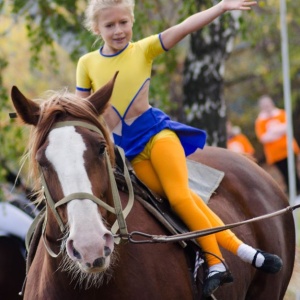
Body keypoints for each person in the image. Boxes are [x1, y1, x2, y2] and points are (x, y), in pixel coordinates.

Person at [76, 0, 282, 296]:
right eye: (110, 25)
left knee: (180, 197)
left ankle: (216, 263)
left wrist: (221, 7)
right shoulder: (86, 63)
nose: (118, 30)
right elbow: (81, 109)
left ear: (132, 21)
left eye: (124, 22)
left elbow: (184, 27)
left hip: (157, 136)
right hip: (128, 152)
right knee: (173, 204)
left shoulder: (143, 49)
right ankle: (249, 253)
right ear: (97, 28)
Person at [255, 95, 300, 194]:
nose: (267, 107)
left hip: (288, 149)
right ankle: (293, 193)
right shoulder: (260, 121)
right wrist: (278, 131)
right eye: (264, 106)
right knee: (285, 174)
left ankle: (298, 189)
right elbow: (263, 138)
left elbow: (287, 128)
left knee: (293, 171)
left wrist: (273, 131)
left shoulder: (281, 113)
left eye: (268, 104)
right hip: (275, 154)